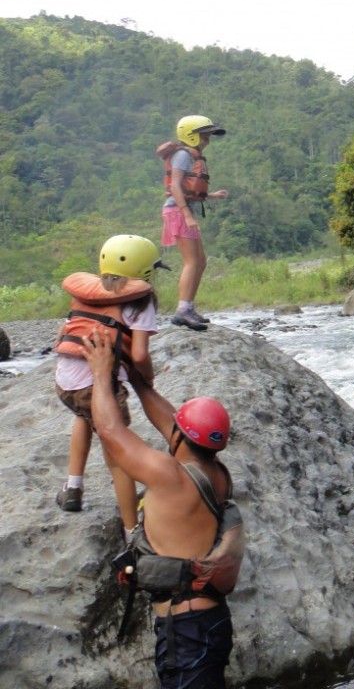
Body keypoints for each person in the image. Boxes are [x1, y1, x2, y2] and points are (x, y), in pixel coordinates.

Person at [83, 327, 242, 688]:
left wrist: (99, 373)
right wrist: (138, 382)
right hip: (209, 620)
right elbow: (174, 423)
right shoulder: (216, 472)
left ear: (179, 438)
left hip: (186, 630)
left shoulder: (171, 476)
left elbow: (109, 430)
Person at [54, 234, 168, 534]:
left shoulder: (89, 291)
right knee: (118, 453)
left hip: (65, 382)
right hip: (96, 386)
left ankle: (73, 488)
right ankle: (131, 531)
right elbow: (140, 354)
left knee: (83, 416)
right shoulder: (141, 300)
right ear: (144, 270)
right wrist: (147, 378)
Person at [160, 114, 229, 331]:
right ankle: (182, 311)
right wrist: (187, 215)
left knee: (201, 261)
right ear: (190, 136)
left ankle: (188, 307)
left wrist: (213, 196)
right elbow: (175, 187)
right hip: (177, 211)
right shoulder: (182, 155)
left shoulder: (191, 156)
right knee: (192, 261)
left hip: (183, 209)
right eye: (204, 135)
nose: (207, 140)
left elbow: (192, 190)